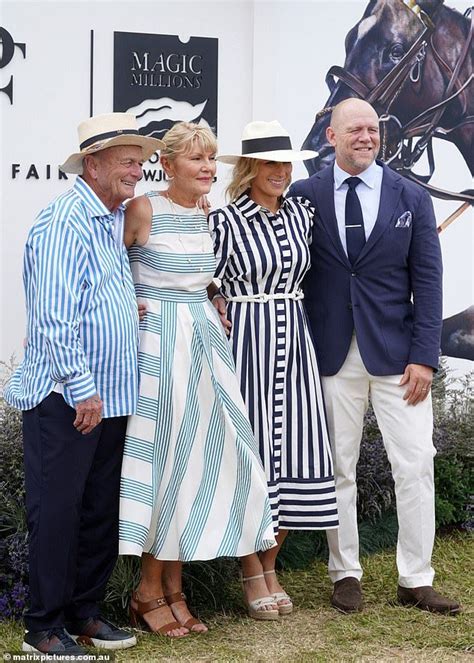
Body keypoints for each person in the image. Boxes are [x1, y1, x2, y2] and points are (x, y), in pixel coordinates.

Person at [289, 98, 461, 615]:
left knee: (414, 465)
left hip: (400, 358)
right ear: (331, 137)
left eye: (372, 128)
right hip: (331, 356)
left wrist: (425, 356)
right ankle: (345, 573)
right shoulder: (305, 196)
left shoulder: (411, 196)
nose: (366, 136)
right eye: (354, 129)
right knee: (336, 468)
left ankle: (416, 577)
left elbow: (429, 281)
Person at [4, 113, 164, 657]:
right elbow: (52, 318)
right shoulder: (64, 222)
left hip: (110, 395)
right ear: (92, 165)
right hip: (70, 396)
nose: (136, 171)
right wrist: (82, 387)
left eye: (140, 162)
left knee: (97, 509)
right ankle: (43, 628)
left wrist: (126, 307)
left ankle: (84, 615)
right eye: (127, 161)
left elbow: (89, 297)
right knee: (57, 509)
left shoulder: (106, 218)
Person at [118, 121, 276, 636]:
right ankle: (147, 591)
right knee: (164, 463)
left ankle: (174, 589)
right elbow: (106, 264)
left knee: (196, 462)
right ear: (168, 165)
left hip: (206, 344)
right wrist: (127, 302)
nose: (208, 168)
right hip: (160, 346)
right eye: (196, 160)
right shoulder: (143, 208)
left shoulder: (207, 212)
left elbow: (197, 273)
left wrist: (213, 297)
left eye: (211, 160)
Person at [208, 120, 338, 620]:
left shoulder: (303, 213)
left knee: (296, 455)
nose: (281, 172)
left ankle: (271, 565)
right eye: (270, 164)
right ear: (249, 169)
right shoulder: (223, 221)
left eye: (285, 163)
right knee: (252, 453)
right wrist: (219, 299)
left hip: (295, 341)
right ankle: (249, 571)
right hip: (246, 343)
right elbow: (202, 279)